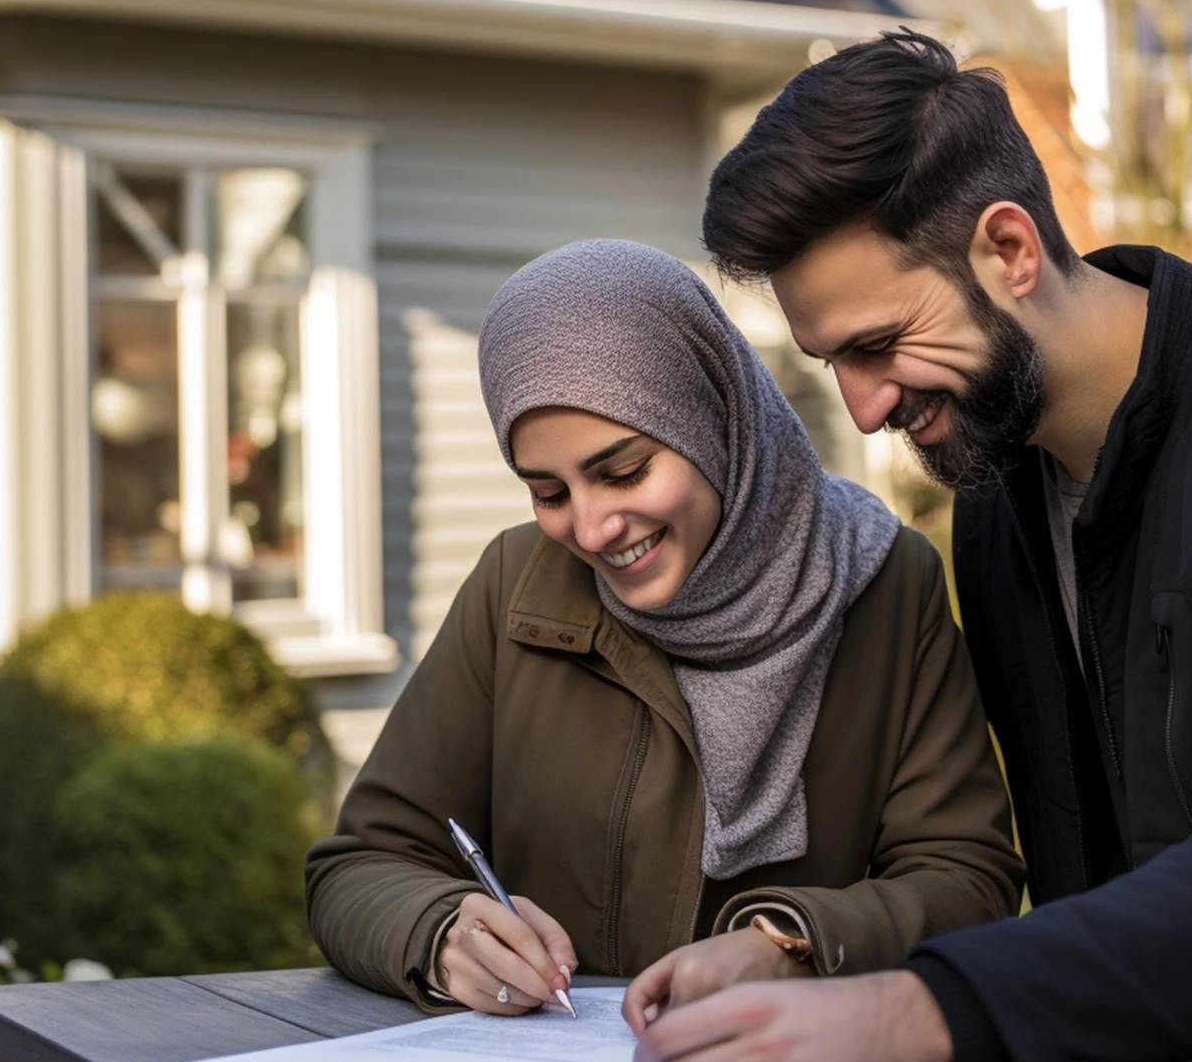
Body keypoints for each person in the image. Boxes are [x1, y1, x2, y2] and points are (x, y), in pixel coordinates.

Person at [630, 28, 1192, 1062]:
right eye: (830, 364)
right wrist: (792, 946)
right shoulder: (999, 484)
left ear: (1008, 249)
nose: (863, 408)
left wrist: (924, 1012)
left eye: (877, 344)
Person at [305, 238, 1021, 1018]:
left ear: (713, 417)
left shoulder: (886, 583)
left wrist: (790, 943)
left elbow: (966, 877)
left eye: (624, 471)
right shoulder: (517, 585)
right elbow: (361, 865)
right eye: (548, 491)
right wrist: (441, 934)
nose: (591, 527)